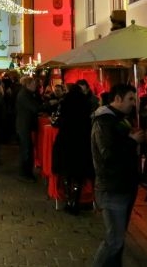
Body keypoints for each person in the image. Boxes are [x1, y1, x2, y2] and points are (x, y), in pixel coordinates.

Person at [91, 83, 145, 267]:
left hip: (125, 185)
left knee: (119, 239)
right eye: (130, 99)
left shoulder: (121, 119)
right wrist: (131, 141)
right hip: (111, 187)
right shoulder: (104, 122)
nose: (133, 103)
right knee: (114, 240)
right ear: (118, 99)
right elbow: (108, 154)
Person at [51, 83, 94, 215]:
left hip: (66, 141)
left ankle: (69, 200)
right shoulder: (86, 104)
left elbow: (57, 121)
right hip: (81, 142)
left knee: (66, 172)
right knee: (78, 173)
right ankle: (75, 201)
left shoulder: (65, 103)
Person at [15, 75, 41, 182]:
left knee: (28, 150)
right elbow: (34, 108)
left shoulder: (28, 94)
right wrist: (46, 105)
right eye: (34, 84)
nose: (35, 86)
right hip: (24, 125)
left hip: (25, 125)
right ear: (28, 85)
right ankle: (24, 174)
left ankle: (27, 173)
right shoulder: (24, 95)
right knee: (26, 150)